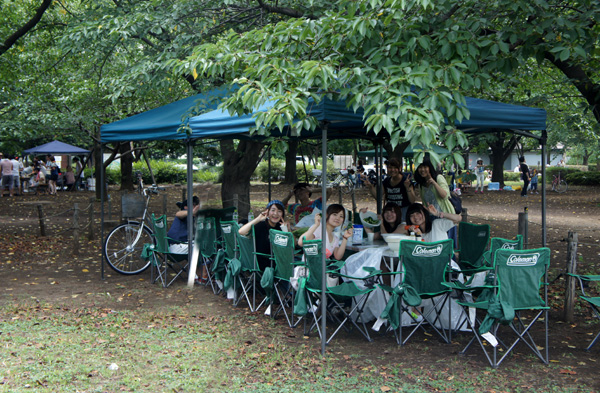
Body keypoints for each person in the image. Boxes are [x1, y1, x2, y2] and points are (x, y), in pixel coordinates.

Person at [239, 200, 291, 271]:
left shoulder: (281, 227)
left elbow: (293, 244)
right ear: (267, 212)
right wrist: (258, 218)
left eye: (279, 211)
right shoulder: (260, 225)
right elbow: (241, 231)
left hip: (278, 262)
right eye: (273, 210)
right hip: (263, 264)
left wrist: (288, 230)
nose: (276, 213)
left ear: (282, 214)